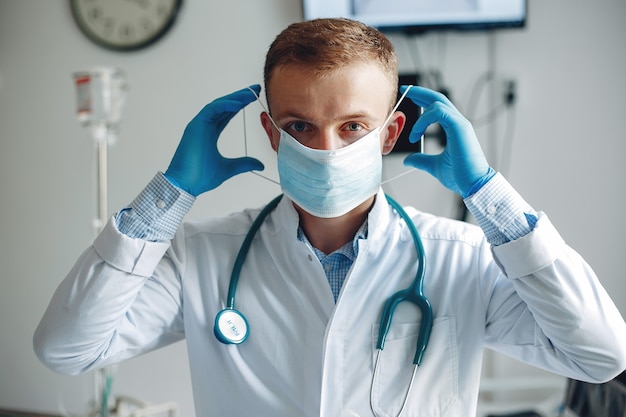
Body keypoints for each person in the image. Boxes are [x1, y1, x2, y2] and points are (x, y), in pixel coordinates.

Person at [34, 18, 626, 417]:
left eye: (353, 127)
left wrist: (488, 194)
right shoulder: (202, 254)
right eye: (299, 127)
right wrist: (169, 194)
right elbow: (65, 350)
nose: (325, 148)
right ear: (270, 133)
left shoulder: (462, 255)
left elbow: (601, 355)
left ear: (391, 133)